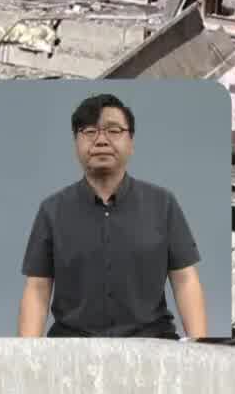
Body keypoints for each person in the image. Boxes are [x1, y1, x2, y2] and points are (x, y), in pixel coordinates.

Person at [18, 92, 207, 340]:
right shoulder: (52, 210)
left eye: (113, 130)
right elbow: (38, 288)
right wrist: (25, 355)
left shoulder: (163, 204)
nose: (101, 140)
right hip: (72, 348)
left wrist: (201, 347)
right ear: (76, 142)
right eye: (89, 132)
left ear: (131, 142)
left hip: (152, 344)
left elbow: (185, 279)